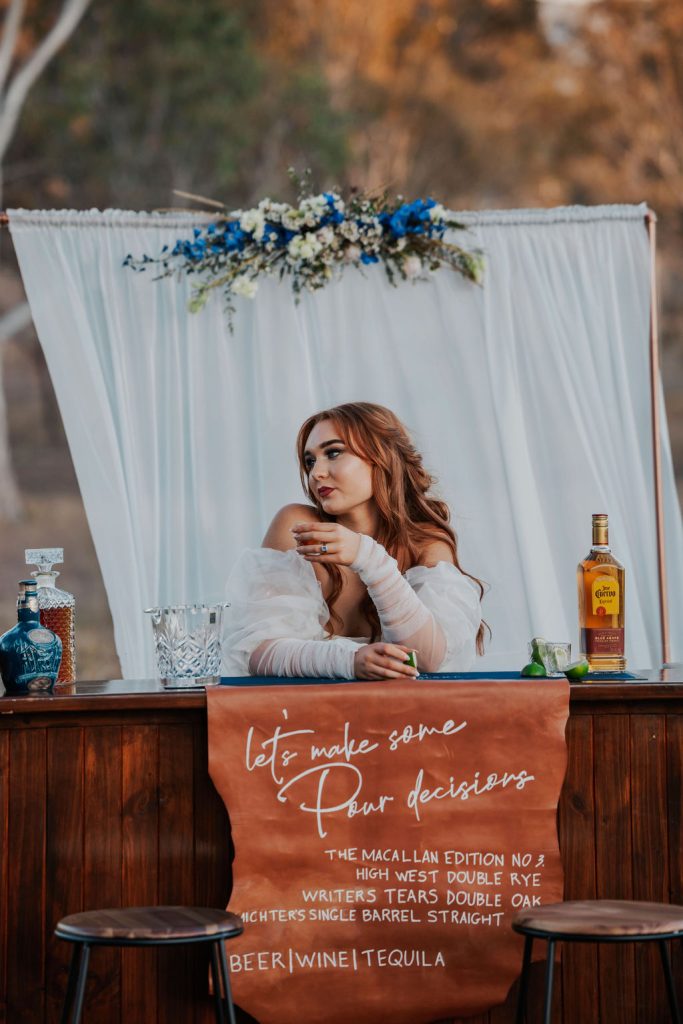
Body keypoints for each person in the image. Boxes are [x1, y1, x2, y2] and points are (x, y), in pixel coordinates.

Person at [223, 402, 485, 679]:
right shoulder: (299, 526)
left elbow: (428, 659)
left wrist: (371, 560)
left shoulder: (425, 544)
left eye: (333, 453)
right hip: (300, 718)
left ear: (381, 456)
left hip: (398, 719)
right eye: (310, 461)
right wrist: (347, 661)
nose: (316, 473)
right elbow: (255, 652)